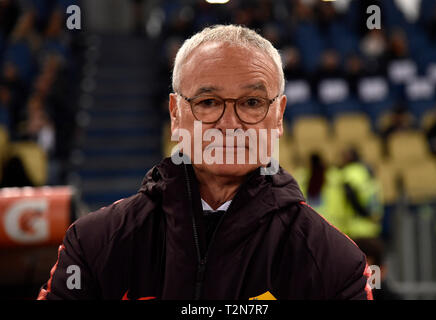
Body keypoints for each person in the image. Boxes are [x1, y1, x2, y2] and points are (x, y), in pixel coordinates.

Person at [37, 25, 373, 300]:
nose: (229, 123)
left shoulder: (336, 264)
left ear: (279, 115)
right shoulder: (94, 243)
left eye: (252, 102)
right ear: (175, 114)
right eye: (208, 102)